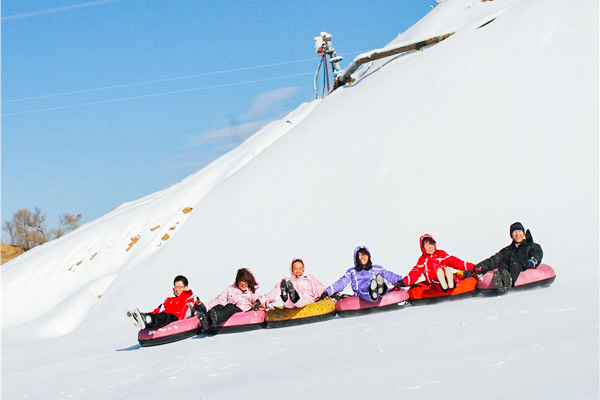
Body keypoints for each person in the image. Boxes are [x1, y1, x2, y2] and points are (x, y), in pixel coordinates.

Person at [473, 222, 543, 294]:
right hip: (507, 269)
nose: (517, 234)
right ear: (511, 235)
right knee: (503, 265)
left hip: (522, 266)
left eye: (519, 231)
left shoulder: (531, 246)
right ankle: (500, 281)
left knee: (515, 264)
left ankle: (509, 281)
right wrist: (478, 267)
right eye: (515, 232)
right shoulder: (507, 250)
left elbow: (537, 255)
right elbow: (494, 260)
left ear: (524, 234)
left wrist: (531, 263)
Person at [318, 246, 403, 302]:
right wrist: (328, 291)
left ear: (368, 256)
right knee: (366, 291)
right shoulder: (352, 272)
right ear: (356, 258)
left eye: (364, 255)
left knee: (378, 284)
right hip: (361, 291)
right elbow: (341, 283)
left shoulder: (376, 269)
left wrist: (403, 281)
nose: (363, 257)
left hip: (374, 284)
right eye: (360, 255)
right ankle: (373, 291)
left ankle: (380, 288)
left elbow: (389, 275)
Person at [397, 234, 474, 292]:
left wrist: (472, 267)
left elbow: (456, 262)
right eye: (427, 245)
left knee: (448, 273)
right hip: (435, 282)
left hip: (445, 276)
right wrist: (403, 282)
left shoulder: (441, 254)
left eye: (431, 244)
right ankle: (444, 284)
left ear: (434, 245)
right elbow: (415, 273)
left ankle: (451, 282)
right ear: (423, 249)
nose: (430, 247)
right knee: (437, 278)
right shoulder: (423, 260)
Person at [198, 268, 262, 332]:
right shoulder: (231, 289)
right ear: (238, 281)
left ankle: (216, 318)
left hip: (241, 310)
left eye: (245, 281)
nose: (243, 284)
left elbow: (261, 300)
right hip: (228, 307)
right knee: (219, 306)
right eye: (241, 281)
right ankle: (206, 319)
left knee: (231, 307)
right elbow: (219, 299)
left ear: (248, 282)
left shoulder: (251, 293)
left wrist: (264, 306)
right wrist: (206, 307)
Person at [127, 275, 200, 329]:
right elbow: (158, 310)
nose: (177, 289)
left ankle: (147, 319)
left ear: (186, 287)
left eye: (180, 287)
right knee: (159, 315)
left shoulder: (191, 298)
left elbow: (199, 307)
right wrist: (150, 314)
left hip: (176, 318)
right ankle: (141, 317)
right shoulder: (169, 300)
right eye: (175, 287)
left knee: (166, 316)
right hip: (164, 317)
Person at [260, 258, 326, 309]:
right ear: (291, 270)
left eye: (300, 269)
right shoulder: (287, 281)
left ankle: (294, 296)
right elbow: (274, 292)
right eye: (295, 269)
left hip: (306, 299)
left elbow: (317, 286)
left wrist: (324, 293)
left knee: (302, 299)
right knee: (288, 300)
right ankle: (286, 296)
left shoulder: (308, 279)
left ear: (303, 269)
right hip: (290, 303)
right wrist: (261, 300)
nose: (298, 271)